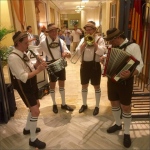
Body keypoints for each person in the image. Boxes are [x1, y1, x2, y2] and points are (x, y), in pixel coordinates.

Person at [103, 28, 143, 148]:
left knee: (125, 107)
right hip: (112, 80)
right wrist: (104, 60)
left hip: (126, 81)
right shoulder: (112, 48)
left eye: (110, 40)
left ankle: (126, 133)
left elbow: (140, 64)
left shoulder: (133, 47)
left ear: (116, 38)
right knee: (114, 103)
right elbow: (110, 62)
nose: (109, 43)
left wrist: (130, 74)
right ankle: (118, 124)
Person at [8, 31, 47, 149]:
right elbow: (23, 77)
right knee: (35, 111)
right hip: (24, 86)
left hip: (31, 84)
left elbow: (30, 68)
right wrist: (39, 69)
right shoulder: (13, 57)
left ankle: (27, 128)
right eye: (25, 43)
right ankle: (33, 139)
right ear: (18, 43)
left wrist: (37, 65)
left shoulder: (23, 53)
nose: (28, 45)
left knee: (37, 105)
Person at [35, 23, 74, 114]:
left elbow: (67, 52)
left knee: (62, 84)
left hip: (60, 63)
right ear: (48, 32)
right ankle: (54, 104)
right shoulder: (44, 42)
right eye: (52, 31)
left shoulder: (61, 41)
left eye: (55, 31)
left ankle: (63, 104)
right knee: (52, 85)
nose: (54, 33)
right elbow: (36, 51)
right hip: (51, 64)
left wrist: (66, 54)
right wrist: (40, 58)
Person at [76, 22, 106, 116]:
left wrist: (95, 44)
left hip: (95, 65)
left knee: (96, 86)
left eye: (90, 30)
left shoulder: (100, 39)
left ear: (94, 30)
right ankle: (84, 104)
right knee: (84, 85)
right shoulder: (83, 39)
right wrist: (84, 43)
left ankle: (97, 106)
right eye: (87, 30)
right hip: (84, 65)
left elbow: (102, 51)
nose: (88, 32)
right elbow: (77, 52)